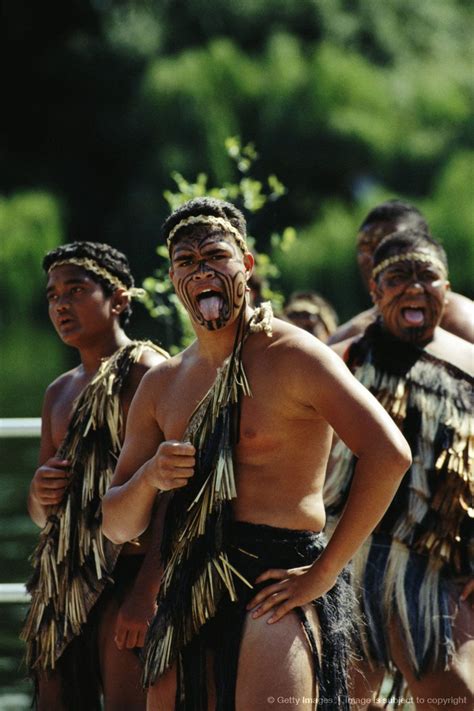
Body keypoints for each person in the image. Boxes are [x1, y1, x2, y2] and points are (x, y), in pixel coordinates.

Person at [101, 197, 411, 711]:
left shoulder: (294, 356)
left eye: (215, 255)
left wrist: (326, 570)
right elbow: (116, 523)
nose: (201, 270)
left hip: (276, 582)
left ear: (246, 264)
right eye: (186, 262)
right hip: (190, 587)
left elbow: (389, 454)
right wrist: (152, 476)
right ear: (174, 279)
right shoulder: (163, 384)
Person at [325, 229, 474, 709]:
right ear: (375, 292)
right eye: (398, 277)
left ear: (446, 289)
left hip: (434, 573)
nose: (414, 287)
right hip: (343, 564)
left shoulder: (470, 365)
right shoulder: (344, 360)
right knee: (341, 699)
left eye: (426, 275)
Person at [21, 242, 169, 711]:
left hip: (129, 572)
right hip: (63, 580)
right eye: (52, 295)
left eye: (76, 290)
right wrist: (37, 491)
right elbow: (41, 514)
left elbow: (177, 492)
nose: (60, 304)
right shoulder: (57, 392)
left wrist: (147, 592)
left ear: (119, 300)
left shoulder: (148, 372)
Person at [327, 200, 474, 345]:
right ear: (374, 289)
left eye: (389, 246)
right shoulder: (346, 339)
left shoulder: (462, 321)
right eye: (364, 248)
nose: (373, 258)